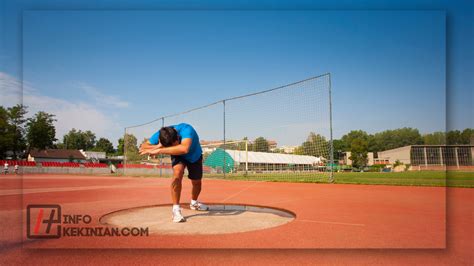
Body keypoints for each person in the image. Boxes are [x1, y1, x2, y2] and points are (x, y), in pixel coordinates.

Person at [139, 123, 208, 223]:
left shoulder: (187, 130)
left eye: (174, 143)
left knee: (196, 182)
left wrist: (158, 150)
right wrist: (158, 146)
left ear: (177, 136)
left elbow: (184, 149)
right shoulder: (161, 134)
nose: (174, 145)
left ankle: (194, 202)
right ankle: (176, 209)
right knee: (177, 173)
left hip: (194, 156)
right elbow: (143, 146)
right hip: (178, 156)